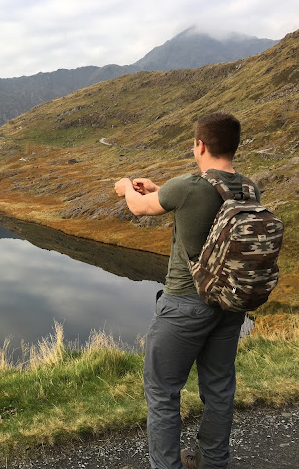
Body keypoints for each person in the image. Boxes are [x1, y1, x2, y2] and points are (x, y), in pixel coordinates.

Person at [114, 113, 259, 469]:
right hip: (229, 304)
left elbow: (139, 208)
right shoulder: (249, 188)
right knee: (219, 388)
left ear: (200, 145)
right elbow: (202, 204)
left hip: (184, 305)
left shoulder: (188, 187)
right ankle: (213, 462)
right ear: (234, 145)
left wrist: (126, 187)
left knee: (163, 392)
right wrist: (160, 189)